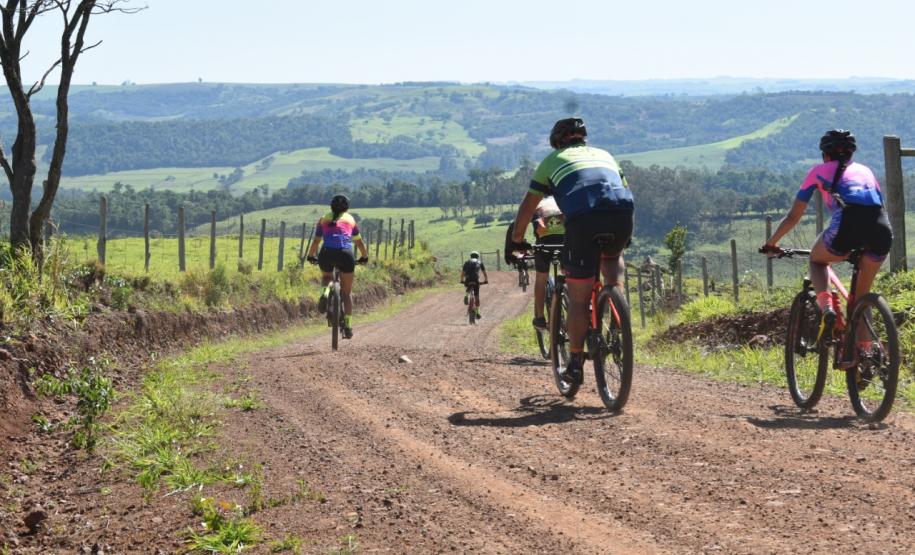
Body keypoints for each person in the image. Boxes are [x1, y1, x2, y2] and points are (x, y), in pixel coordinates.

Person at [509, 117, 634, 382]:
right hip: (622, 213)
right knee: (612, 258)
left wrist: (517, 239)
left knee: (579, 297)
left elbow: (529, 205)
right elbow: (624, 189)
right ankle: (617, 308)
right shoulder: (604, 154)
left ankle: (575, 362)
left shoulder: (551, 161)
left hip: (584, 220)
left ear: (557, 142)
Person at [764, 129, 892, 349]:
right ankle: (865, 354)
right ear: (851, 153)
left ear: (825, 154)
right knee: (862, 297)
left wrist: (771, 243)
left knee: (817, 260)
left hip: (846, 227)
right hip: (881, 229)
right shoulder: (865, 170)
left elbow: (794, 216)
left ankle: (827, 309)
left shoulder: (818, 171)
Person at [305, 194, 369, 339]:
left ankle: (325, 293)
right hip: (346, 254)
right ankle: (348, 326)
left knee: (327, 276)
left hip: (326, 253)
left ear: (331, 206)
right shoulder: (351, 219)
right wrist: (364, 257)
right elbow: (359, 243)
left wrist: (310, 255)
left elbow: (316, 241)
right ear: (347, 207)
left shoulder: (323, 219)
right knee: (346, 293)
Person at [529, 196, 565, 330]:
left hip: (545, 242)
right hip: (565, 239)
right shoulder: (562, 199)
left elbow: (522, 221)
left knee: (541, 279)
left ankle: (539, 317)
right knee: (569, 273)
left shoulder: (536, 202)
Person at [459, 251, 489, 318]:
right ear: (477, 257)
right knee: (476, 296)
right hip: (476, 280)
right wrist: (486, 280)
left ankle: (466, 295)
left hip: (468, 279)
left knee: (468, 284)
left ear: (471, 256)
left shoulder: (467, 262)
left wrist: (461, 280)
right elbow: (484, 273)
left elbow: (463, 273)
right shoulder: (480, 262)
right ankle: (478, 312)